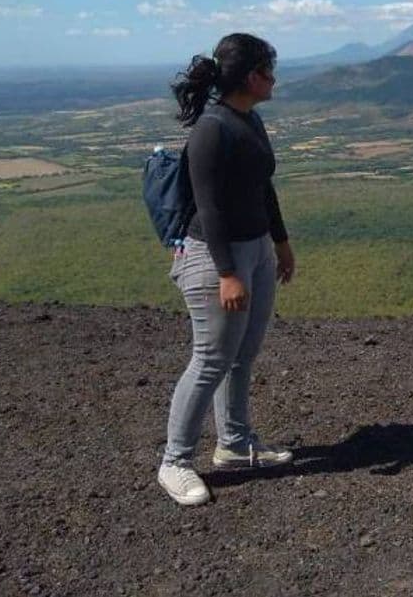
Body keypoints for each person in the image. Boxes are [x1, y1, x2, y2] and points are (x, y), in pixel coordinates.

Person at [157, 33, 296, 506]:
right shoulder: (212, 129)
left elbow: (264, 188)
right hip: (216, 257)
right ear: (251, 76)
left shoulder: (249, 121)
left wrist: (280, 244)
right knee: (211, 359)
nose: (274, 79)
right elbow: (211, 208)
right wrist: (227, 274)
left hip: (254, 250)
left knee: (241, 355)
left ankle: (234, 445)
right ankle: (174, 463)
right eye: (268, 71)